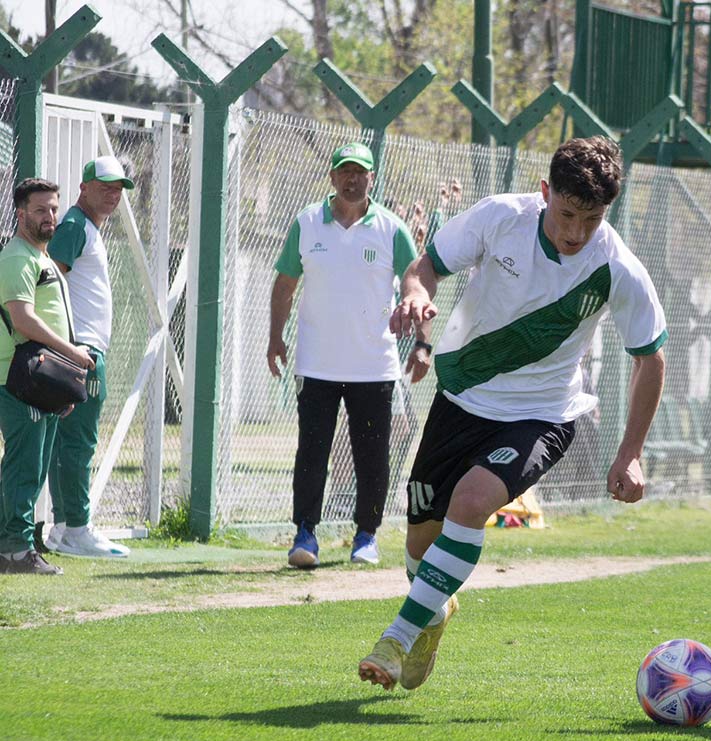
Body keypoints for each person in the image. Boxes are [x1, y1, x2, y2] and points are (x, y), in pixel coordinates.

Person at [358, 136, 667, 692]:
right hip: (460, 400)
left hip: (542, 415)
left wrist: (631, 452)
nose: (576, 233)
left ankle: (398, 637)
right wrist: (413, 295)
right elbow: (425, 266)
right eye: (568, 214)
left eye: (591, 220)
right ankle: (435, 613)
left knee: (472, 501)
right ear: (546, 192)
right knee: (419, 548)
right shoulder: (502, 217)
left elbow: (651, 358)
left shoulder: (617, 267)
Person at [267, 142, 420, 568]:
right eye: (345, 172)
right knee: (311, 451)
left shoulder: (391, 228)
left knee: (372, 453)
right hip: (316, 363)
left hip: (374, 365)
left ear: (373, 178)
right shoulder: (307, 222)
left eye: (361, 172)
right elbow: (284, 284)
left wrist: (423, 344)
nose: (353, 179)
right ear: (332, 177)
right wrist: (275, 337)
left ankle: (367, 535)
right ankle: (305, 534)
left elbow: (417, 284)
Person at [0, 178, 95, 575]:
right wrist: (73, 354)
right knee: (24, 466)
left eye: (54, 209)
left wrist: (64, 383)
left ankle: (19, 545)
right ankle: (16, 551)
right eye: (40, 210)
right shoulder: (18, 257)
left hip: (42, 379)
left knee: (35, 466)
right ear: (21, 213)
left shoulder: (40, 257)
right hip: (19, 378)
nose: (50, 217)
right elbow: (22, 319)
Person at [43, 157, 136, 558]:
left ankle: (64, 527)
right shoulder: (75, 226)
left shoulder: (88, 229)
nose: (112, 194)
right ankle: (78, 527)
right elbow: (48, 281)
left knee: (69, 441)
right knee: (79, 441)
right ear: (83, 188)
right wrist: (69, 346)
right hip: (80, 350)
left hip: (79, 347)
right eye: (104, 186)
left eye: (118, 188)